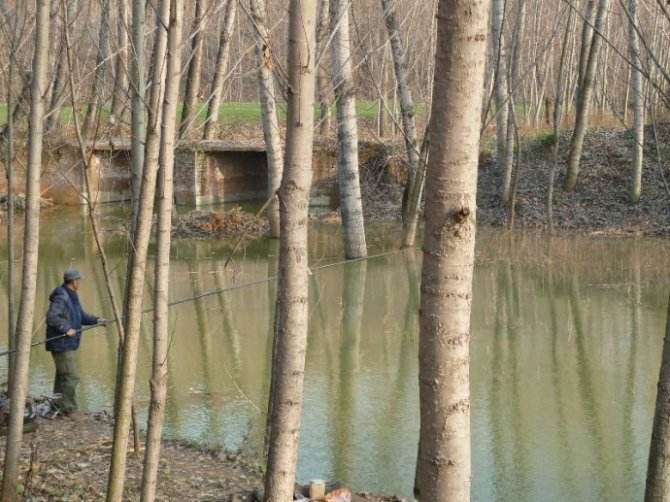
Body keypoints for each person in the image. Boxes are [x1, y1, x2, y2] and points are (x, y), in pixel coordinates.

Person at [46, 268, 105, 417]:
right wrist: (66, 328)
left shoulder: (72, 295)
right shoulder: (62, 296)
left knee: (62, 376)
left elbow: (81, 316)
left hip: (67, 343)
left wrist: (96, 320)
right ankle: (69, 409)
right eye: (79, 280)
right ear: (73, 281)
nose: (80, 282)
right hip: (61, 344)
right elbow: (52, 317)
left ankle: (57, 406)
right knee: (72, 376)